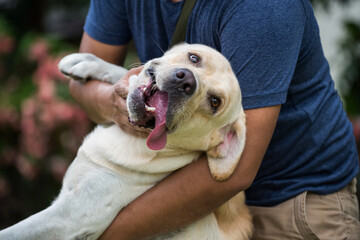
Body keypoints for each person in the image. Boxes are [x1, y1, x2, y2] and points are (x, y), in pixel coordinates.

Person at [69, 0, 360, 239]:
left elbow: (237, 171)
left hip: (292, 204)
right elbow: (81, 78)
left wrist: (96, 233)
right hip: (189, 196)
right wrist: (112, 102)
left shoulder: (263, 7)